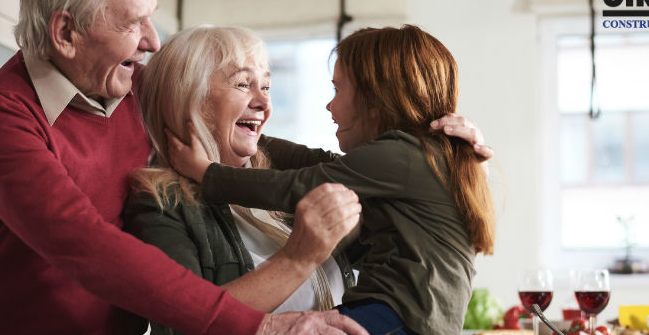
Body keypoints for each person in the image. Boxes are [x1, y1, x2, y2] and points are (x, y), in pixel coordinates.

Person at [0, 0, 366, 334]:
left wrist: (426, 135)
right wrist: (263, 325)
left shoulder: (132, 85)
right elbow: (85, 246)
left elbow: (235, 136)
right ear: (66, 32)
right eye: (132, 23)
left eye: (151, 18)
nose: (153, 41)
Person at [124, 25, 493, 335]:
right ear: (189, 98)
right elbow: (180, 326)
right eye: (243, 85)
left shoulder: (278, 179)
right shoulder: (162, 205)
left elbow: (316, 168)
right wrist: (298, 258)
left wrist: (465, 164)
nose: (264, 103)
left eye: (266, 87)